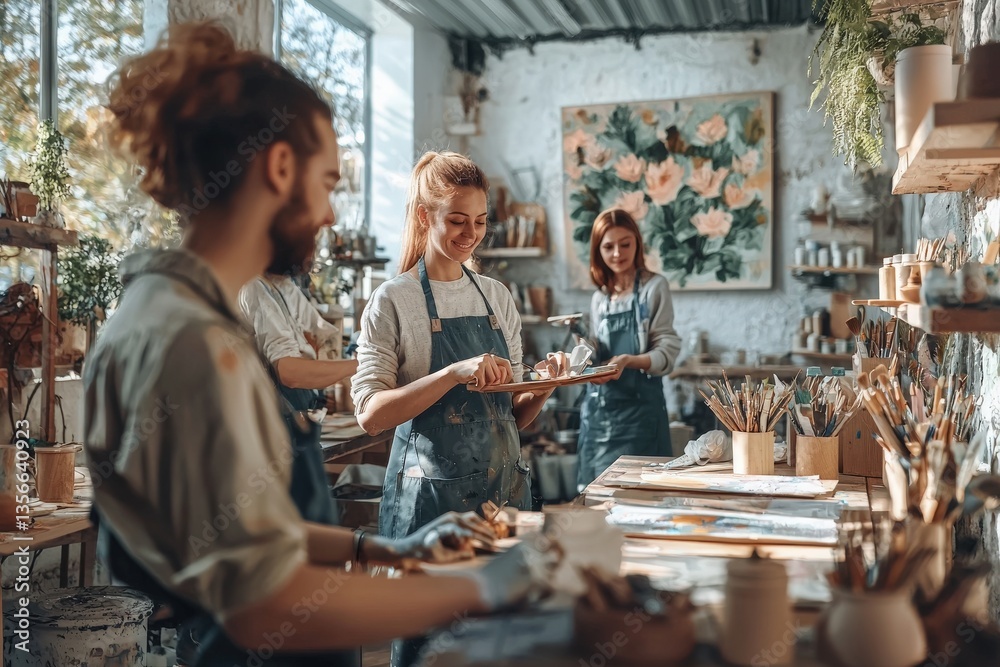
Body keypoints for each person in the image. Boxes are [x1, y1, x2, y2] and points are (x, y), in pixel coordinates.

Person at [83, 23, 557, 667]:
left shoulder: (166, 310)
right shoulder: (191, 341)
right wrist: (479, 587)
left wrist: (382, 550)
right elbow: (264, 605)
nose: (332, 215)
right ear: (280, 168)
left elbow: (233, 530)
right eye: (329, 183)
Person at [352, 152, 553, 533]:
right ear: (425, 216)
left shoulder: (496, 296)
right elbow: (370, 416)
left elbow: (511, 414)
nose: (471, 234)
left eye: (479, 222)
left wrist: (544, 386)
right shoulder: (394, 299)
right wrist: (452, 373)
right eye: (457, 221)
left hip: (503, 499)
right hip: (429, 509)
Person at [240, 271, 357, 524]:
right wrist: (361, 364)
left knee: (310, 520)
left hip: (301, 420)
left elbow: (319, 335)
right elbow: (290, 373)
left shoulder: (283, 285)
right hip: (276, 428)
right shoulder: (254, 288)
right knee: (292, 526)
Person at [576, 208, 682, 488]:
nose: (617, 254)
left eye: (625, 244)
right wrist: (582, 349)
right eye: (608, 246)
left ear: (637, 243)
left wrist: (627, 361)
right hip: (600, 416)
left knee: (641, 496)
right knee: (599, 497)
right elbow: (598, 348)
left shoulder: (654, 288)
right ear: (598, 251)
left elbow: (667, 352)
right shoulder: (601, 298)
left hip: (642, 416)